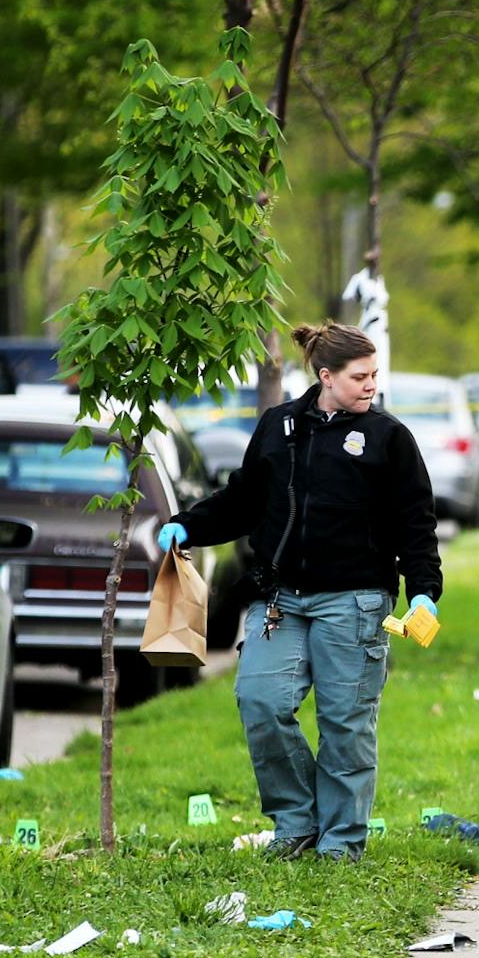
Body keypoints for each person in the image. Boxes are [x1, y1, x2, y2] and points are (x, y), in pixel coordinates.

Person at [158, 323, 442, 861]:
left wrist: (424, 591)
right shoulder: (279, 427)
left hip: (355, 601)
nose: (371, 385)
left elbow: (415, 523)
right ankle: (296, 823)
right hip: (279, 598)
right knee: (260, 701)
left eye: (375, 374)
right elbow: (243, 500)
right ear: (325, 376)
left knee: (345, 724)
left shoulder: (388, 437)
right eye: (360, 376)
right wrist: (188, 525)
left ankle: (340, 843)